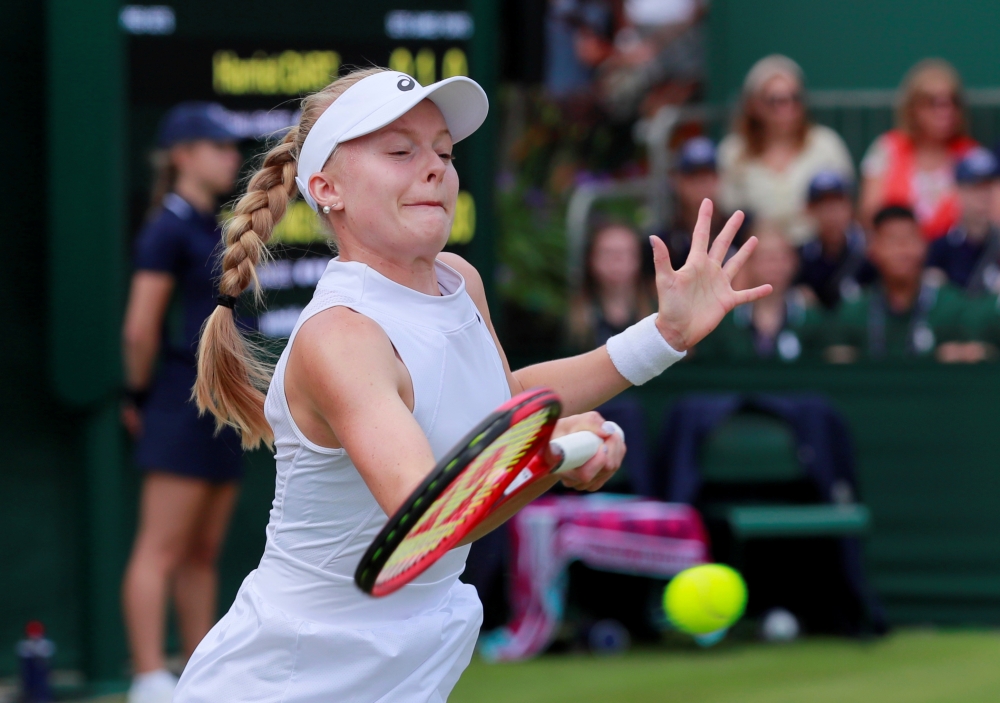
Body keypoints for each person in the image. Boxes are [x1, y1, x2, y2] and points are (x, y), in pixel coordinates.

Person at [173, 67, 770, 702]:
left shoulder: (458, 279)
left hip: (402, 661)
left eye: (443, 151)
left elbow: (501, 401)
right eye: (401, 151)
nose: (434, 167)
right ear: (328, 189)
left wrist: (662, 337)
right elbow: (429, 518)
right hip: (294, 678)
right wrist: (555, 458)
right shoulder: (341, 338)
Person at [119, 103, 243, 703]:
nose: (229, 157)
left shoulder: (212, 226)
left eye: (229, 147)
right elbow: (140, 329)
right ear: (182, 155)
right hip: (175, 400)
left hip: (220, 406)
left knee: (203, 550)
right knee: (160, 548)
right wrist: (139, 395)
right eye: (216, 147)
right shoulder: (166, 226)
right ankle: (147, 676)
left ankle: (199, 675)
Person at [718, 54, 855, 246]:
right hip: (755, 254)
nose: (787, 108)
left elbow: (844, 206)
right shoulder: (733, 151)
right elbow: (727, 207)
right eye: (775, 100)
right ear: (754, 104)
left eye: (795, 98)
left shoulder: (826, 144)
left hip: (818, 252)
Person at [825, 205, 974, 361]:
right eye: (892, 240)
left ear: (924, 245)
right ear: (873, 249)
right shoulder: (852, 312)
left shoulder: (953, 307)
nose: (902, 249)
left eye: (909, 238)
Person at [859, 59, 979, 240]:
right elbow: (869, 216)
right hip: (894, 259)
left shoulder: (973, 157)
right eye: (933, 102)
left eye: (953, 101)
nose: (945, 110)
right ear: (913, 108)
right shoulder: (886, 149)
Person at [696, 221, 825, 362]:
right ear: (747, 263)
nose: (774, 265)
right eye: (765, 257)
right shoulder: (723, 321)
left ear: (794, 261)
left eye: (782, 257)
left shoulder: (812, 319)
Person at [568, 220, 656, 351]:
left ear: (639, 258)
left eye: (625, 252)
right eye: (607, 252)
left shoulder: (660, 311)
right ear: (591, 259)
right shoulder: (567, 317)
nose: (616, 260)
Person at [927, 148, 1000, 294]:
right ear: (958, 191)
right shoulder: (941, 249)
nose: (983, 196)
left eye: (988, 188)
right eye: (975, 188)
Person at [797, 171, 874, 309]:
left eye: (837, 204)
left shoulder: (868, 253)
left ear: (850, 207)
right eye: (821, 205)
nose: (830, 213)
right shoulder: (800, 257)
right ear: (809, 210)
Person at [662, 136, 737, 267]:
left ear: (719, 178)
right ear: (676, 181)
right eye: (693, 176)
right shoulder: (665, 240)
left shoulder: (740, 229)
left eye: (707, 176)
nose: (701, 184)